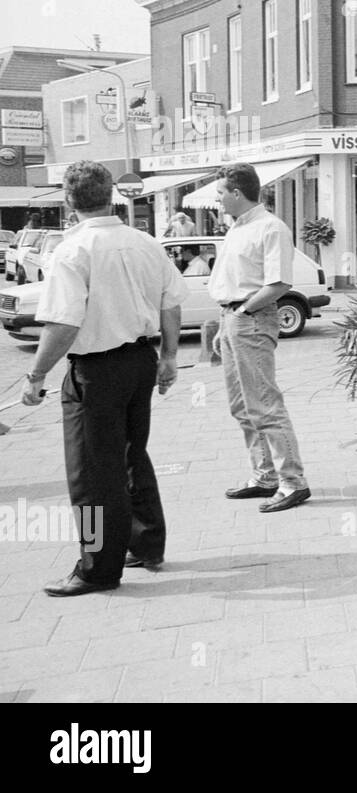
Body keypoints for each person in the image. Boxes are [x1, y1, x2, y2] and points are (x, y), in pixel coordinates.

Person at [22, 161, 187, 595]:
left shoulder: (73, 251)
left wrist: (36, 375)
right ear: (111, 195)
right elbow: (171, 303)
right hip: (140, 361)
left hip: (96, 371)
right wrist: (169, 357)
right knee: (132, 455)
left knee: (92, 475)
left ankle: (97, 568)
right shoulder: (145, 243)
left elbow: (63, 323)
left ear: (68, 200)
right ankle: (146, 544)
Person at [210, 162, 311, 513]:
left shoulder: (271, 227)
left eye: (220, 192)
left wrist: (242, 312)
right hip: (232, 318)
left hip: (250, 318)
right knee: (241, 405)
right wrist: (224, 323)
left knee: (264, 404)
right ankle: (265, 475)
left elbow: (279, 282)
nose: (218, 199)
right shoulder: (236, 228)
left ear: (237, 193)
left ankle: (293, 481)